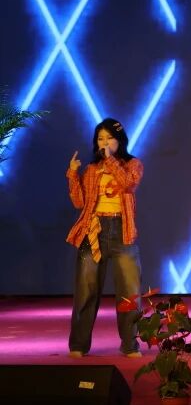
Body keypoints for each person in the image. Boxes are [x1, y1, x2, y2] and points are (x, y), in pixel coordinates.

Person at [65, 118, 145, 358]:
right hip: (94, 229)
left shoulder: (133, 164)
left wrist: (110, 160)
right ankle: (78, 345)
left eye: (109, 138)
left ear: (119, 140)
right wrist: (72, 173)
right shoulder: (92, 169)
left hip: (122, 230)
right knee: (86, 290)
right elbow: (79, 202)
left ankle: (130, 344)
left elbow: (128, 183)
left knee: (129, 292)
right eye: (100, 139)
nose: (105, 143)